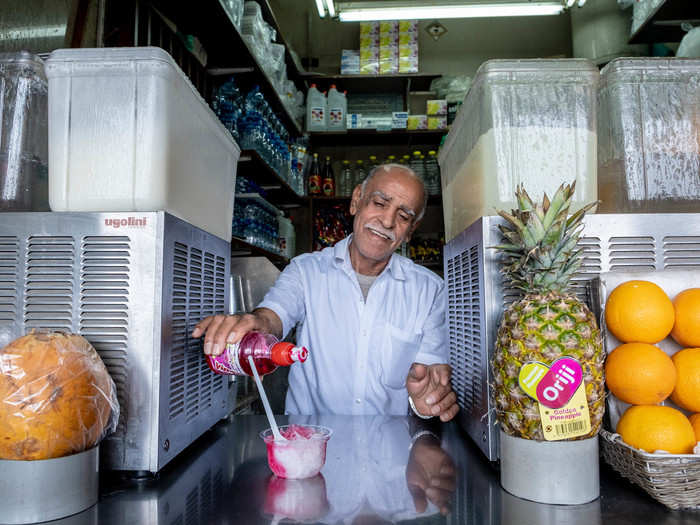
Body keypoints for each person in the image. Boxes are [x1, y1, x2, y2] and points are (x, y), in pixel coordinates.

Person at [192, 163, 459, 422]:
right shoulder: (306, 271)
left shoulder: (430, 291)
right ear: (356, 201)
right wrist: (256, 324)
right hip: (307, 450)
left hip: (390, 457)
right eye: (379, 203)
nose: (387, 221)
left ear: (410, 231)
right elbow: (274, 316)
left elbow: (429, 381)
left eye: (403, 216)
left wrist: (425, 403)